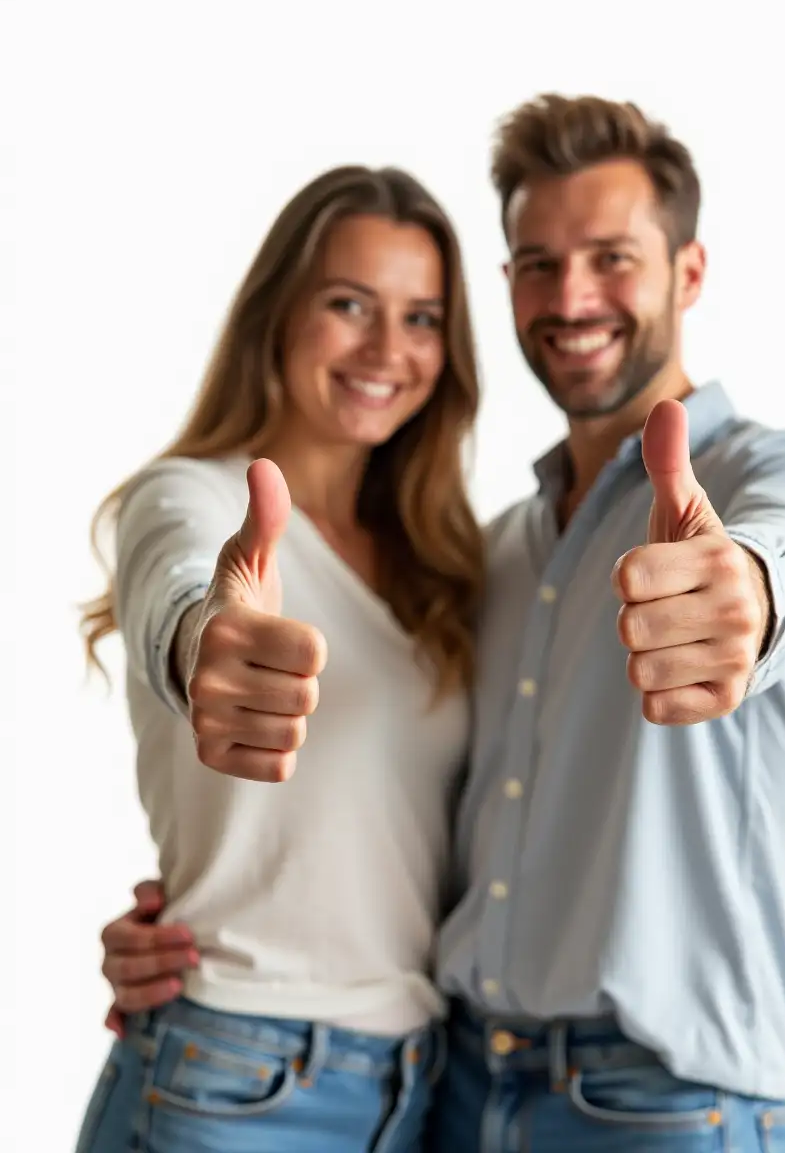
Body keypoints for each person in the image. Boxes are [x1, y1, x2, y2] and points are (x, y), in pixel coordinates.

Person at [98, 95, 785, 1152]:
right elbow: (176, 584)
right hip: (448, 1086)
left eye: (610, 256)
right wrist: (199, 651)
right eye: (538, 263)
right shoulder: (491, 556)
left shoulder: (766, 479)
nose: (572, 294)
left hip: (659, 1103)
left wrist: (750, 593)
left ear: (688, 272)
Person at [73, 164, 485, 1153]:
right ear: (278, 315)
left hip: (420, 1084)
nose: (388, 347)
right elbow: (180, 587)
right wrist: (202, 647)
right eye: (349, 303)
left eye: (421, 316)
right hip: (235, 1076)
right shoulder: (191, 499)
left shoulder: (448, 564)